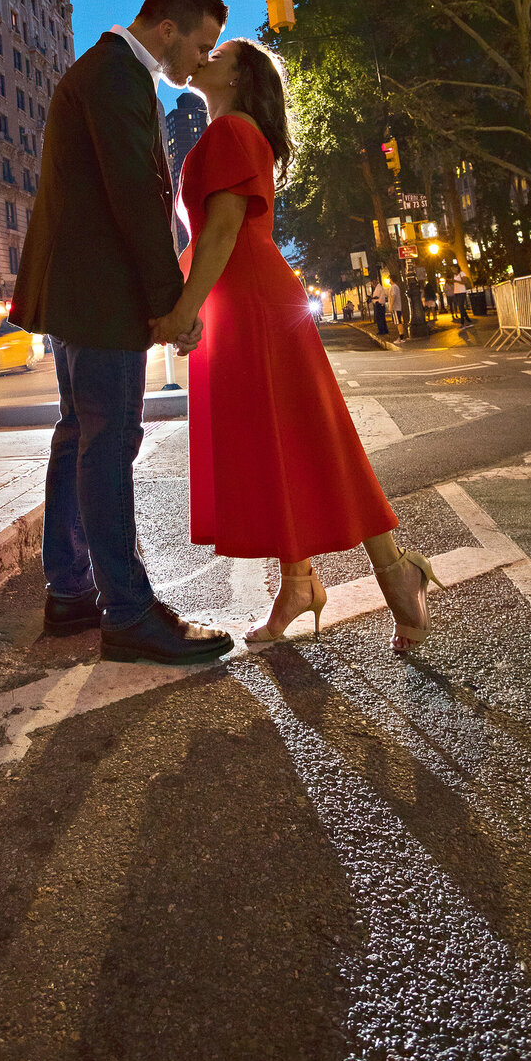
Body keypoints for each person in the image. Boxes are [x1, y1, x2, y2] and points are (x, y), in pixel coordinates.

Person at [151, 40, 443, 654]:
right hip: (242, 300)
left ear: (240, 75)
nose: (204, 55)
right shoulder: (228, 130)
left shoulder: (232, 131)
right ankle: (298, 582)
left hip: (253, 300)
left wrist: (185, 307)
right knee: (273, 440)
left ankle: (396, 572)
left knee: (312, 435)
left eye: (219, 51)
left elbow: (225, 228)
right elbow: (212, 235)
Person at [10, 0, 235, 665]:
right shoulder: (115, 75)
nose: (199, 62)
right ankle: (129, 612)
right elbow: (137, 197)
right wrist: (171, 304)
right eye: (200, 44)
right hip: (101, 294)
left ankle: (72, 591)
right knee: (107, 442)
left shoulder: (102, 71)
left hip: (82, 293)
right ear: (167, 28)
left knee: (79, 434)